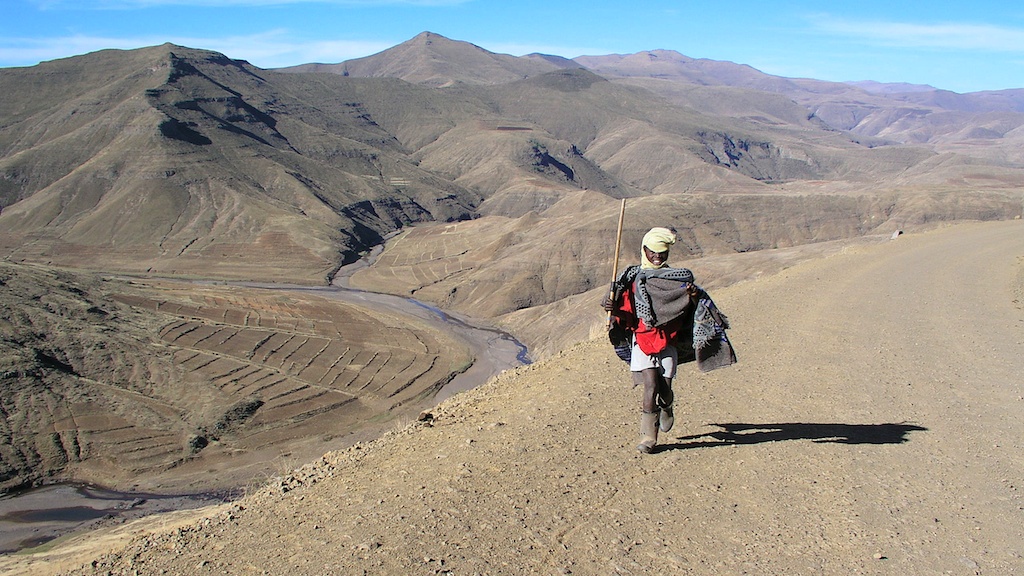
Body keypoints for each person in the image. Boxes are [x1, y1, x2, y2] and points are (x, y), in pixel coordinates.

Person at [603, 227, 698, 453]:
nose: (657, 256)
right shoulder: (632, 278)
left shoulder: (677, 279)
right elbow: (626, 311)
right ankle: (648, 438)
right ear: (643, 250)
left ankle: (667, 405)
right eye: (653, 251)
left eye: (662, 252)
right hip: (643, 339)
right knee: (650, 385)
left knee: (664, 388)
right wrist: (612, 307)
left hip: (668, 340)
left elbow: (690, 311)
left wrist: (693, 297)